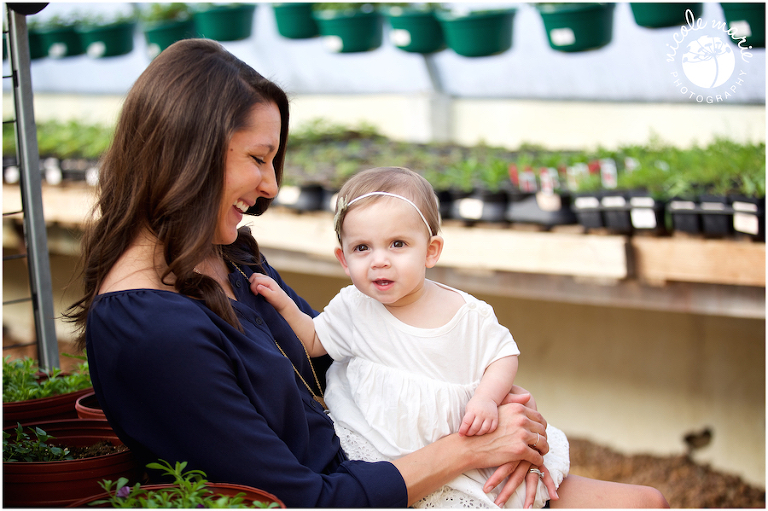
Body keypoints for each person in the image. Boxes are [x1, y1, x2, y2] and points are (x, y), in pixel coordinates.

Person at [65, 38, 668, 509]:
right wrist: (468, 447)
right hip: (365, 490)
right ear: (185, 151)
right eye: (258, 158)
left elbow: (349, 350)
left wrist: (488, 400)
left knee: (650, 500)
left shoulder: (226, 255)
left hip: (384, 460)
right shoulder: (151, 330)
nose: (272, 186)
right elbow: (303, 501)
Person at [250, 166, 568, 508]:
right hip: (377, 447)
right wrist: (285, 305)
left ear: (431, 251)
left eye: (397, 244)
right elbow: (313, 340)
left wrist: (487, 399)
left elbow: (503, 355)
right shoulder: (354, 306)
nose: (379, 261)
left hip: (453, 444)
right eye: (362, 248)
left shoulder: (465, 312)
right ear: (343, 259)